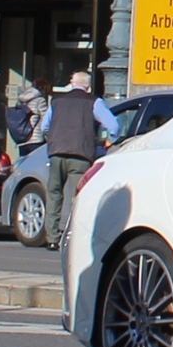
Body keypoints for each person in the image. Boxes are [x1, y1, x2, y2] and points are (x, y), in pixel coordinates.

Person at [43, 70, 119, 248]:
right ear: (88, 86)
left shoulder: (56, 101)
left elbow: (44, 126)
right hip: (81, 154)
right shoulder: (94, 102)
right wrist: (109, 140)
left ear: (72, 83)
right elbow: (114, 126)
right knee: (78, 197)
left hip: (56, 153)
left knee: (54, 194)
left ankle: (52, 238)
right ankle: (74, 237)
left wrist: (55, 139)